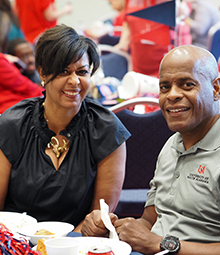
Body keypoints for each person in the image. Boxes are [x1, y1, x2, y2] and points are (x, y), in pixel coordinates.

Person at [81, 45, 220, 255]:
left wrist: (161, 244)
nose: (172, 95)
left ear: (216, 89)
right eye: (164, 87)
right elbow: (150, 221)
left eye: (187, 85)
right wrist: (115, 229)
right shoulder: (172, 144)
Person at [0, 24, 130, 232]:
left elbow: (98, 218)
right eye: (63, 71)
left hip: (77, 244)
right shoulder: (13, 123)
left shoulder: (106, 129)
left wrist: (64, 246)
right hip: (14, 241)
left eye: (82, 72)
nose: (74, 81)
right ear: (42, 72)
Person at [114, 0, 191, 78]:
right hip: (139, 63)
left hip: (168, 62)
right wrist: (122, 44)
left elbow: (184, 12)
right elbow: (128, 20)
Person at [0, 7, 44, 114]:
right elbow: (26, 87)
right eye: (24, 56)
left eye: (31, 54)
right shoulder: (2, 62)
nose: (30, 59)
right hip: (12, 112)